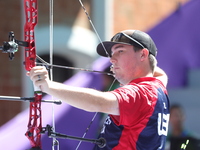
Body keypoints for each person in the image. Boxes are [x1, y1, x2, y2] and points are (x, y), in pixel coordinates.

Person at [27, 30, 170, 150]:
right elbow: (160, 74)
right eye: (112, 54)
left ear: (143, 54)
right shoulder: (157, 86)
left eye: (120, 51)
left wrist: (48, 86)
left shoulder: (142, 93)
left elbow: (101, 103)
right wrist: (136, 66)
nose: (112, 59)